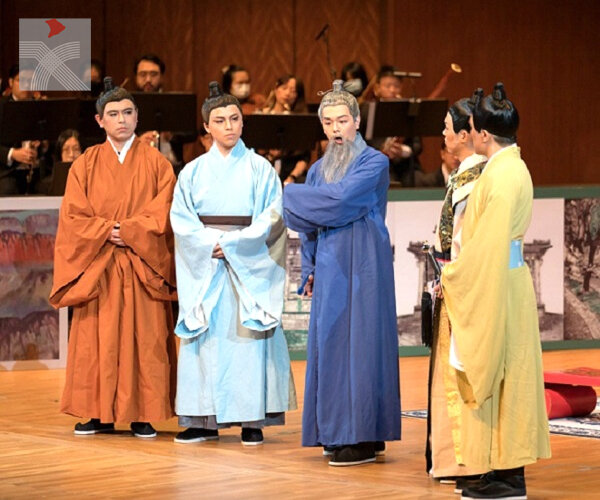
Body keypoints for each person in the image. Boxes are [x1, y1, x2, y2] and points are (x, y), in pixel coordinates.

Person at [439, 83, 551, 499]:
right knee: (503, 375)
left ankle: (510, 474)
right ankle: (498, 466)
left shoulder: (503, 175)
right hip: (502, 279)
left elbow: (488, 243)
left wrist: (453, 275)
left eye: (471, 129)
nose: (469, 134)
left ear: (484, 134)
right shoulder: (504, 168)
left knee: (507, 375)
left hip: (499, 281)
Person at [49, 77, 177, 438]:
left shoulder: (157, 163)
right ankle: (97, 412)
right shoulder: (85, 164)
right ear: (99, 120)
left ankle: (143, 413)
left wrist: (130, 231)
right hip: (99, 263)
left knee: (145, 340)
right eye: (113, 114)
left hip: (142, 264)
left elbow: (165, 210)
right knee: (97, 340)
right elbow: (73, 216)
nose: (121, 119)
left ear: (137, 117)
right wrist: (107, 230)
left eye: (128, 112)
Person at [170, 82, 296, 446]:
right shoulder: (192, 171)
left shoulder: (260, 169)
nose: (229, 126)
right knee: (205, 337)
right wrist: (210, 243)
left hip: (246, 261)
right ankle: (202, 420)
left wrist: (235, 245)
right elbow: (182, 219)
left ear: (243, 122)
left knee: (247, 341)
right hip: (208, 260)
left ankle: (250, 419)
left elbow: (273, 216)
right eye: (220, 120)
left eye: (235, 118)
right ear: (206, 127)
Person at [282, 80, 401, 466]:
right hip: (330, 266)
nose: (336, 129)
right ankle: (335, 430)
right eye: (329, 122)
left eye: (343, 121)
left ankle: (363, 434)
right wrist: (310, 267)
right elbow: (308, 225)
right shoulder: (318, 170)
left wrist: (289, 194)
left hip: (365, 265)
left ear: (357, 122)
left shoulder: (374, 163)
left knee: (364, 346)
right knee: (331, 345)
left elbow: (340, 201)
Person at [426, 92, 488, 489]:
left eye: (448, 128)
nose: (444, 134)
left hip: (464, 287)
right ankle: (453, 459)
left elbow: (464, 239)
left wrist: (449, 274)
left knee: (459, 374)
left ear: (466, 134)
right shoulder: (463, 175)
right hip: (454, 282)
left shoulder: (474, 178)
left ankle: (465, 460)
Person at [134, 53, 196, 172]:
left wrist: (171, 135)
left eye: (153, 74)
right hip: (137, 168)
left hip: (172, 168)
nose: (148, 79)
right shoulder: (125, 105)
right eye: (143, 74)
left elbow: (191, 133)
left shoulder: (174, 102)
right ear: (136, 77)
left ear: (162, 77)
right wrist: (136, 142)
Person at [261, 74, 310, 185]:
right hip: (265, 170)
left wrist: (292, 178)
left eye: (293, 91)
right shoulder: (262, 116)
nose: (288, 93)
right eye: (284, 88)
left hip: (291, 173)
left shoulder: (300, 120)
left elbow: (304, 156)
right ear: (276, 89)